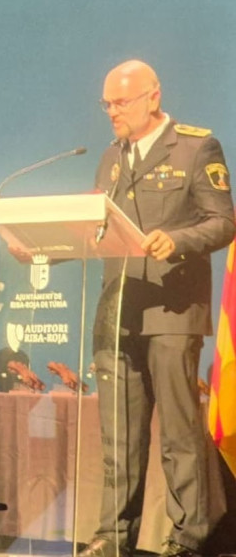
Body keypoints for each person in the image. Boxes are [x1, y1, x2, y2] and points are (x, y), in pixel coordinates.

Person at [81, 60, 234, 557]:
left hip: (172, 307)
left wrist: (178, 239)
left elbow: (222, 222)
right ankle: (113, 536)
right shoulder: (110, 157)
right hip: (119, 309)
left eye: (120, 102)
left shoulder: (195, 146)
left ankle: (190, 536)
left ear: (153, 96)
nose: (112, 112)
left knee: (178, 432)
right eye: (107, 103)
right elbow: (96, 226)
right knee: (118, 436)